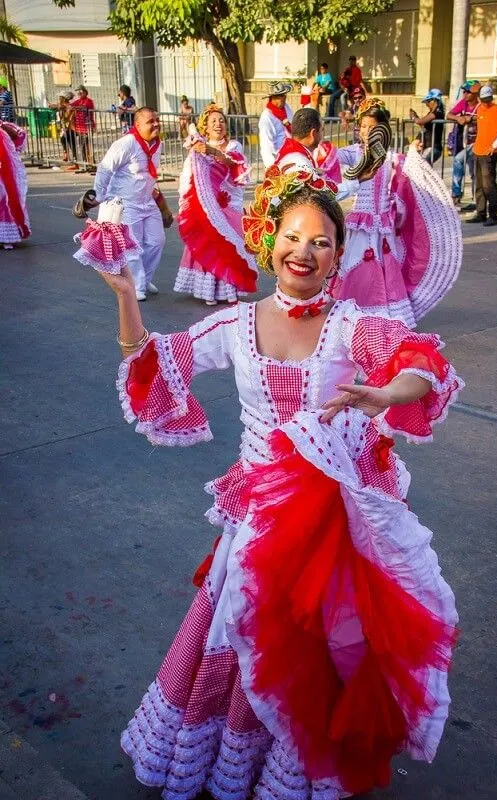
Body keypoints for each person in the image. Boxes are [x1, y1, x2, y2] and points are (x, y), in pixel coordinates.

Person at [95, 167, 461, 800]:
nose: (304, 251)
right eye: (293, 237)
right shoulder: (236, 326)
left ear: (338, 256)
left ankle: (299, 771)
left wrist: (383, 392)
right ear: (270, 244)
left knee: (325, 648)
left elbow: (422, 364)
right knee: (242, 637)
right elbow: (155, 360)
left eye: (321, 242)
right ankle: (236, 761)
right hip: (258, 519)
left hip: (329, 525)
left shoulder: (353, 325)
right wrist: (126, 295)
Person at [330, 98, 461, 328]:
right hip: (360, 224)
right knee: (355, 267)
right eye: (362, 126)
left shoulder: (392, 159)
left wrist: (412, 154)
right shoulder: (355, 153)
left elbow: (404, 187)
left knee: (383, 271)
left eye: (372, 127)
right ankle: (352, 313)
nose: (366, 132)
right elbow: (332, 157)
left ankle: (382, 315)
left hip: (383, 227)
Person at [174, 103, 257, 305]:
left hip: (227, 205)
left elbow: (232, 162)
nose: (218, 124)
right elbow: (188, 177)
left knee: (228, 246)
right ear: (205, 127)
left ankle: (229, 289)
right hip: (206, 205)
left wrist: (210, 150)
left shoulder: (233, 146)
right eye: (213, 121)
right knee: (208, 244)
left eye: (221, 120)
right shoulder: (197, 150)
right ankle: (209, 291)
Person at [94, 107, 165, 301]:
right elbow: (105, 169)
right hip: (126, 202)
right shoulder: (126, 143)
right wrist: (100, 196)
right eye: (151, 121)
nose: (156, 124)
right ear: (138, 125)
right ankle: (136, 286)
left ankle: (145, 278)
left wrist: (160, 201)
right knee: (132, 246)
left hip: (147, 202)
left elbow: (150, 175)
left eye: (157, 120)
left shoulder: (158, 144)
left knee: (157, 242)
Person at [466, 85, 497, 227]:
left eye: (488, 99)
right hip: (478, 151)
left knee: (489, 185)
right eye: (484, 99)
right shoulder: (479, 108)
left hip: (489, 153)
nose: (486, 102)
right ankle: (481, 213)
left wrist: (495, 144)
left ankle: (492, 215)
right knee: (479, 185)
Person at [446, 80, 480, 207]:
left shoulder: (480, 106)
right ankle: (458, 194)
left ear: (475, 94)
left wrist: (472, 119)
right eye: (464, 91)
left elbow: (483, 118)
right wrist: (458, 118)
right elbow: (449, 114)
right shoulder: (463, 104)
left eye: (468, 92)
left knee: (462, 163)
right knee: (471, 170)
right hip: (466, 142)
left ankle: (473, 198)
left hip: (478, 142)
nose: (465, 94)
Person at [0, 120, 31, 249]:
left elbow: (20, 134)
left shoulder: (3, 130)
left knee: (5, 202)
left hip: (4, 174)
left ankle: (6, 238)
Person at [258, 82, 293, 168]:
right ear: (273, 98)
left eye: (284, 95)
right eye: (281, 96)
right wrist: (272, 166)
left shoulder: (286, 108)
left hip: (291, 154)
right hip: (277, 159)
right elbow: (266, 144)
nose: (284, 98)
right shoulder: (267, 117)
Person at [410, 89, 445, 164]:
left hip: (433, 147)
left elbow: (421, 121)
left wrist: (413, 117)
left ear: (435, 101)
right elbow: (423, 124)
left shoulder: (438, 113)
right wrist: (416, 116)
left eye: (428, 101)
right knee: (422, 167)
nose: (427, 104)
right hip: (427, 146)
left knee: (422, 165)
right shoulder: (431, 112)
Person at [70, 85, 96, 171]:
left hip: (87, 127)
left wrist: (72, 107)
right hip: (80, 128)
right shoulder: (78, 101)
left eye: (80, 91)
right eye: (78, 92)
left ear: (85, 92)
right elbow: (70, 105)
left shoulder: (89, 101)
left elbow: (83, 107)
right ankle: (86, 164)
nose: (79, 93)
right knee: (82, 146)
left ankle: (91, 164)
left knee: (88, 146)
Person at [50, 90, 77, 166]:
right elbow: (54, 106)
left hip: (70, 127)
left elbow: (66, 117)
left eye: (60, 97)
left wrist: (61, 108)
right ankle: (66, 153)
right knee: (63, 139)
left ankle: (75, 162)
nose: (59, 98)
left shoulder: (68, 106)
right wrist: (54, 106)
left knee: (72, 144)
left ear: (64, 98)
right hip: (65, 127)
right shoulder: (62, 105)